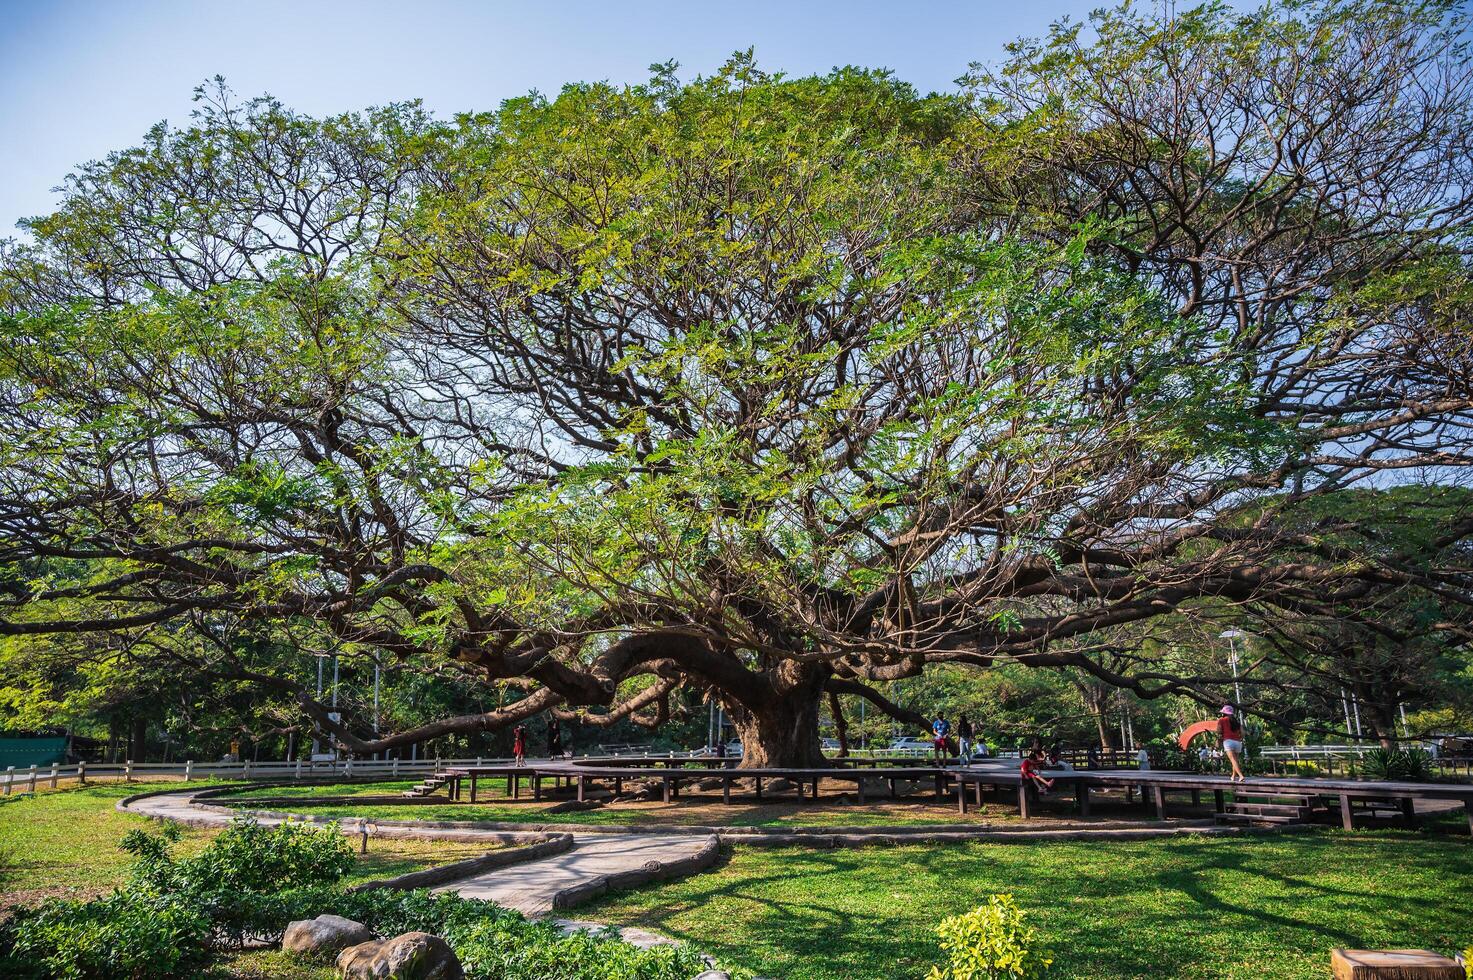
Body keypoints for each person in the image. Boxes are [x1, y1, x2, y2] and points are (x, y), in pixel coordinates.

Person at [1217, 704, 1246, 781]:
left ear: (1224, 713)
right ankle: (1233, 776)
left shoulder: (1221, 720)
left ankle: (1241, 775)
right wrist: (1240, 738)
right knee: (1235, 760)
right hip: (1238, 742)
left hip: (1228, 741)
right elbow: (1243, 733)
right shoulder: (1236, 722)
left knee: (1233, 760)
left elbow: (1219, 731)